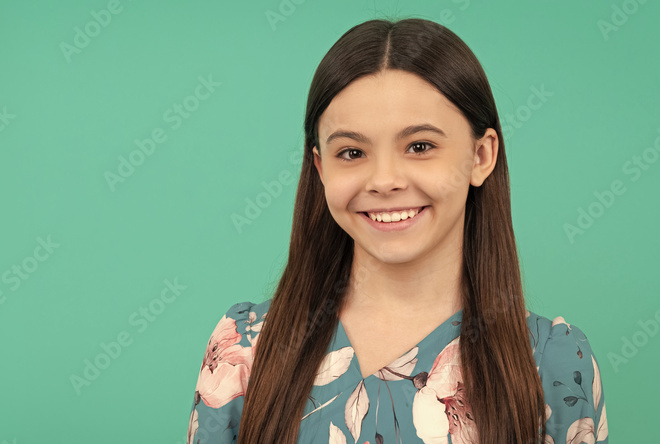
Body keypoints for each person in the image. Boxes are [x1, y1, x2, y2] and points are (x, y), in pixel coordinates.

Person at [186, 17, 608, 444]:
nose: (384, 180)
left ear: (481, 156)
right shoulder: (241, 351)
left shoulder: (553, 363)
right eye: (352, 152)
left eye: (420, 146)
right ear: (320, 169)